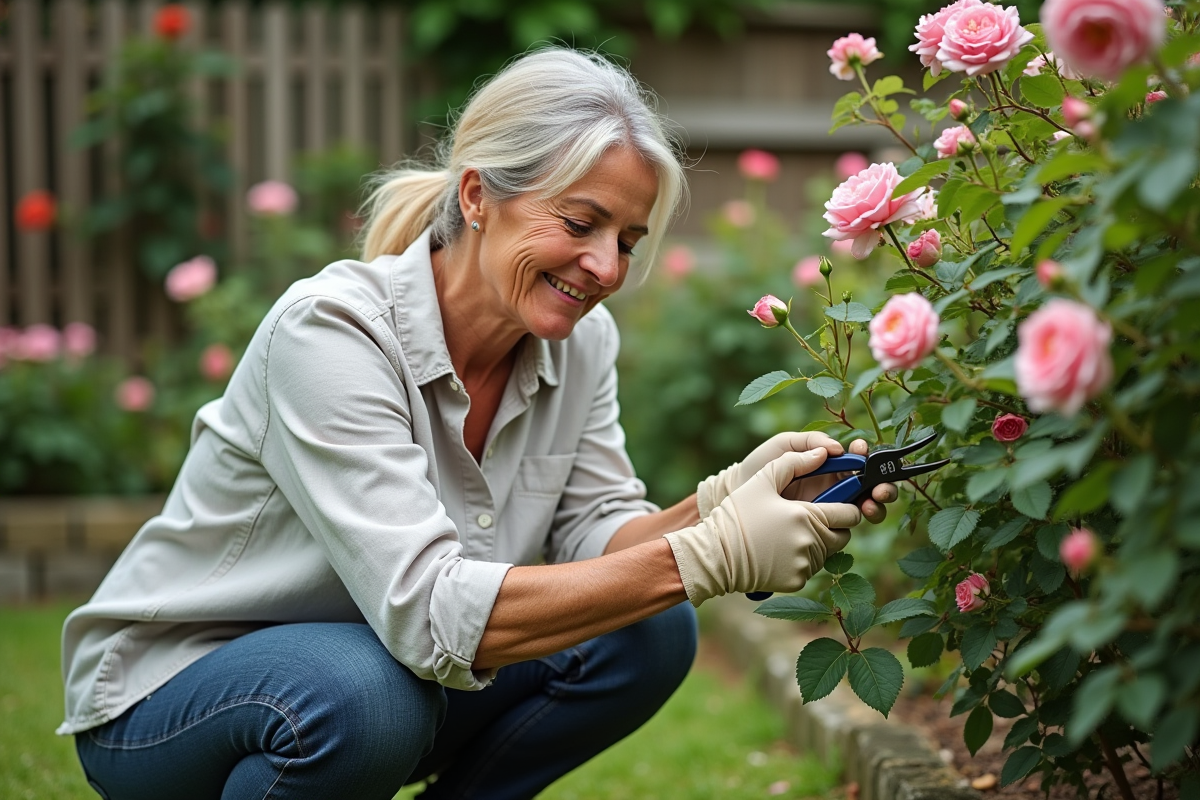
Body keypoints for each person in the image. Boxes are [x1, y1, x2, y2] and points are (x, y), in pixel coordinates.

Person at [59, 48, 896, 800]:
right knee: (361, 695)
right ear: (477, 196)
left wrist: (722, 505)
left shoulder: (579, 342)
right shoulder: (331, 332)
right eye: (579, 223)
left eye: (628, 240)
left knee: (648, 634)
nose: (606, 267)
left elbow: (597, 532)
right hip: (174, 695)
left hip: (383, 673)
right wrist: (709, 555)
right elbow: (428, 612)